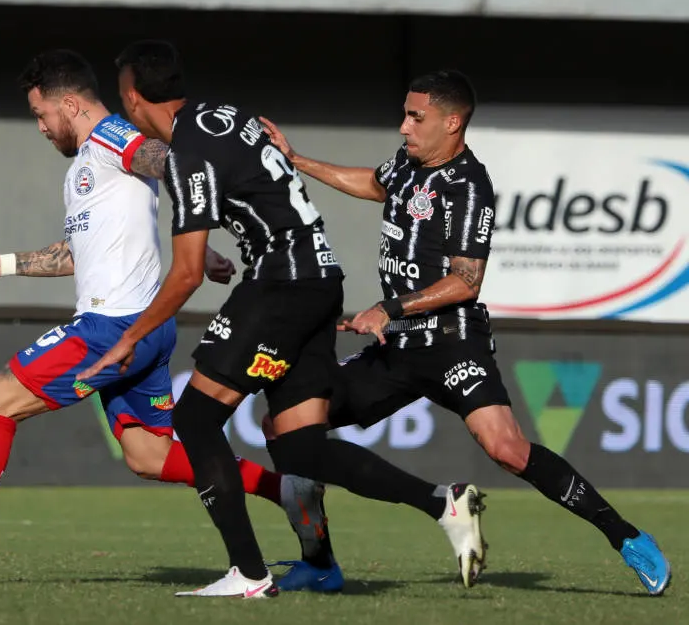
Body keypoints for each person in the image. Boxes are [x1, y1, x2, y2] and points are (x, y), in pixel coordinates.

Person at [0, 49, 329, 584]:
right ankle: (285, 490)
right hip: (146, 328)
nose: (42, 127)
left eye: (41, 115)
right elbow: (77, 254)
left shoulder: (111, 139)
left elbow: (170, 161)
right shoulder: (85, 172)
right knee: (148, 455)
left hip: (113, 325)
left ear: (70, 104)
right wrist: (1, 264)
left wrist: (201, 229)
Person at [78, 41, 488, 598]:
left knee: (196, 420)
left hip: (280, 285)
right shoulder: (227, 116)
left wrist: (129, 338)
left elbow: (186, 273)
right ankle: (442, 503)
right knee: (299, 448)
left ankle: (248, 574)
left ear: (131, 97)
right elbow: (254, 196)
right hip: (320, 281)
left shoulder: (188, 152)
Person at [258, 69, 672, 596]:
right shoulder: (407, 165)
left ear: (452, 123)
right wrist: (298, 162)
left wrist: (389, 307)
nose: (404, 126)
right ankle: (318, 562)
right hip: (396, 349)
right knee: (284, 428)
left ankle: (628, 538)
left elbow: (465, 281)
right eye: (405, 114)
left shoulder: (470, 185)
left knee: (507, 449)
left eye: (416, 116)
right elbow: (372, 183)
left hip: (453, 344)